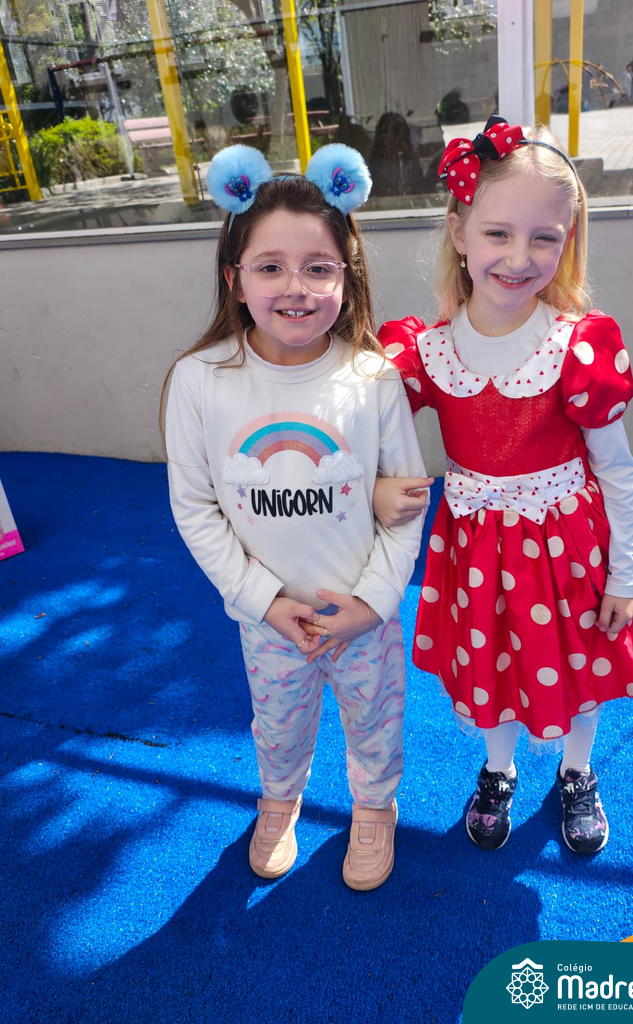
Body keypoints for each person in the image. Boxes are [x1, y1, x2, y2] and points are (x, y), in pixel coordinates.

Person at [374, 116, 633, 855]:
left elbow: (619, 471)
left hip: (571, 550)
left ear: (569, 240)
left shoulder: (577, 345)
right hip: (479, 552)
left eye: (544, 237)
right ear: (459, 231)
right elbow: (366, 432)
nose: (519, 256)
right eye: (498, 233)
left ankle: (577, 769)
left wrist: (623, 573)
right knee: (495, 664)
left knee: (582, 664)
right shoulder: (426, 351)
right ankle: (499, 769)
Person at [162, 143, 427, 890]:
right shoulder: (199, 380)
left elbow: (406, 503)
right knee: (277, 723)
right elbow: (195, 507)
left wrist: (372, 604)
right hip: (269, 621)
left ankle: (374, 807)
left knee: (375, 721)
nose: (296, 287)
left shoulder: (374, 377)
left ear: (347, 275)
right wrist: (264, 602)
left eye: (318, 267)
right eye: (270, 266)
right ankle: (279, 798)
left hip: (363, 616)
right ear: (235, 278)